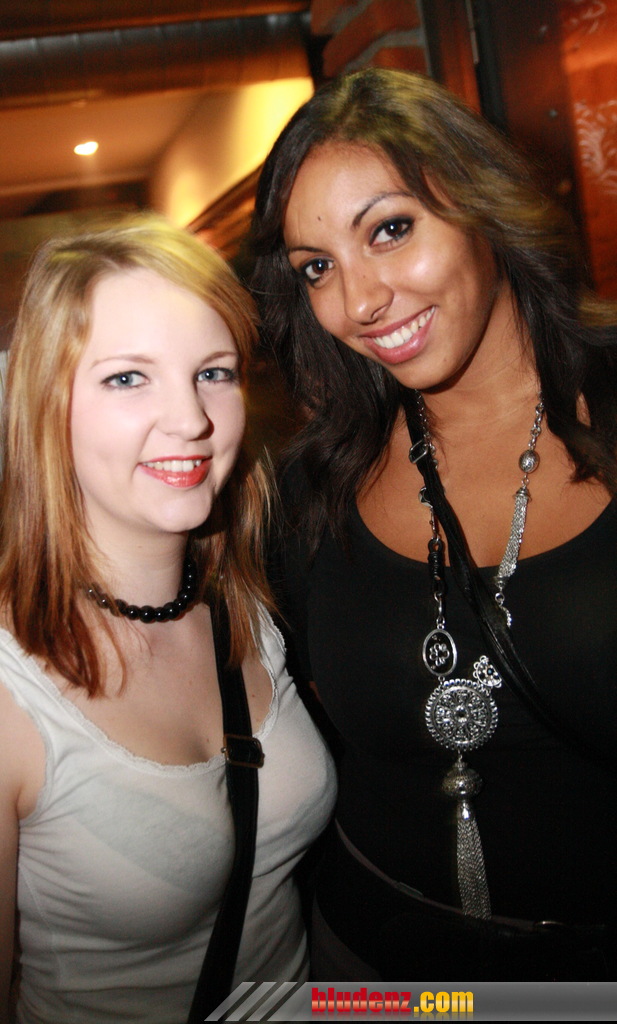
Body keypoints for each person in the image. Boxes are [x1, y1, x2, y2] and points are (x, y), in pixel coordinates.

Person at [250, 68, 617, 980]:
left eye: (390, 229)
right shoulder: (312, 490)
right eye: (316, 268)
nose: (358, 302)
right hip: (369, 970)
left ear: (484, 205)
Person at [0, 216, 336, 1023]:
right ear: (49, 406)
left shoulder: (244, 605)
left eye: (213, 373)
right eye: (127, 378)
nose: (189, 419)